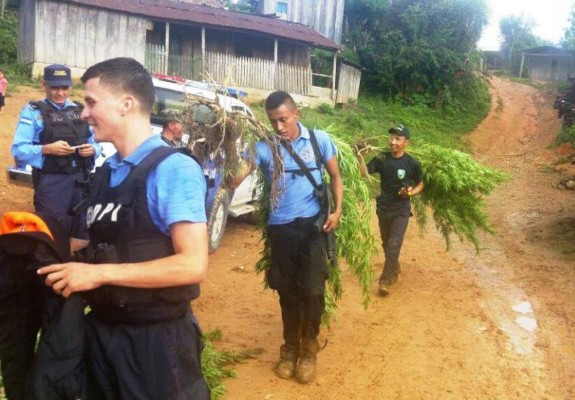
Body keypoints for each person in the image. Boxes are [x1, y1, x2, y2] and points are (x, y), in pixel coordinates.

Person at [37, 57, 210, 399]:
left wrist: (99, 275)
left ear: (126, 104)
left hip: (157, 345)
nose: (83, 113)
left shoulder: (173, 169)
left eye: (90, 102)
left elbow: (193, 264)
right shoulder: (107, 172)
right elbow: (91, 244)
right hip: (103, 336)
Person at [229, 90, 343, 384]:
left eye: (283, 119)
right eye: (273, 122)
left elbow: (335, 176)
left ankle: (309, 349)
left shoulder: (319, 141)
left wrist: (337, 211)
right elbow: (235, 178)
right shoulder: (264, 148)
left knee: (314, 291)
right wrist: (227, 144)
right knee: (287, 292)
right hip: (281, 230)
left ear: (296, 114)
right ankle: (289, 348)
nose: (279, 127)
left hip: (314, 228)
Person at [11, 64, 101, 252]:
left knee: (82, 236)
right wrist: (47, 149)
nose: (59, 93)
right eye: (54, 87)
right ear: (44, 84)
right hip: (52, 182)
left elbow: (97, 141)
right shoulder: (33, 112)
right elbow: (19, 150)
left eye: (64, 88)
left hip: (81, 182)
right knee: (50, 234)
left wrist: (93, 149)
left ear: (71, 86)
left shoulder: (80, 110)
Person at [357, 125, 424, 296]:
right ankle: (394, 267)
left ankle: (385, 280)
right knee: (387, 244)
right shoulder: (381, 158)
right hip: (383, 208)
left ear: (406, 143)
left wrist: (410, 192)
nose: (392, 142)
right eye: (392, 138)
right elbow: (364, 173)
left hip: (401, 209)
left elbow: (420, 184)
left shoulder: (412, 163)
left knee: (394, 243)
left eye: (397, 139)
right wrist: (360, 157)